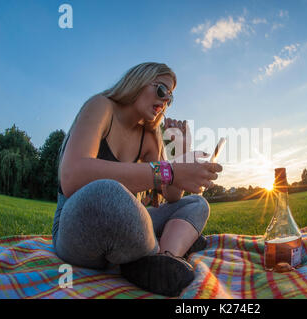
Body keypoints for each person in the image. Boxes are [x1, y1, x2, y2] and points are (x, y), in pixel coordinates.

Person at [52, 62, 223, 297]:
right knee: (109, 192)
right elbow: (72, 176)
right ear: (138, 81)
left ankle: (162, 259)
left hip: (129, 223)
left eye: (170, 98)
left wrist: (180, 153)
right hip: (80, 222)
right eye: (162, 90)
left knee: (196, 204)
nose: (165, 102)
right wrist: (168, 171)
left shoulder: (150, 135)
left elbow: (172, 196)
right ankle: (169, 244)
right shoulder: (101, 107)